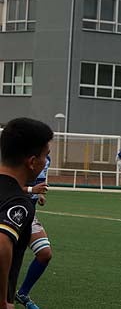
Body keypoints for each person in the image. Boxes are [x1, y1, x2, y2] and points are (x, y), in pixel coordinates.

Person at [0, 119, 52, 309]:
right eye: (45, 156)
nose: (46, 161)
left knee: (44, 253)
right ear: (32, 161)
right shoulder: (17, 202)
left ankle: (22, 293)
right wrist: (3, 301)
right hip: (21, 211)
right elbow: (1, 243)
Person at [14, 154, 52, 309]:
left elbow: (38, 182)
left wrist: (39, 194)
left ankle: (22, 293)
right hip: (8, 212)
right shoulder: (16, 158)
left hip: (29, 214)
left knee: (45, 253)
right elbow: (6, 187)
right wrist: (31, 189)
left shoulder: (46, 160)